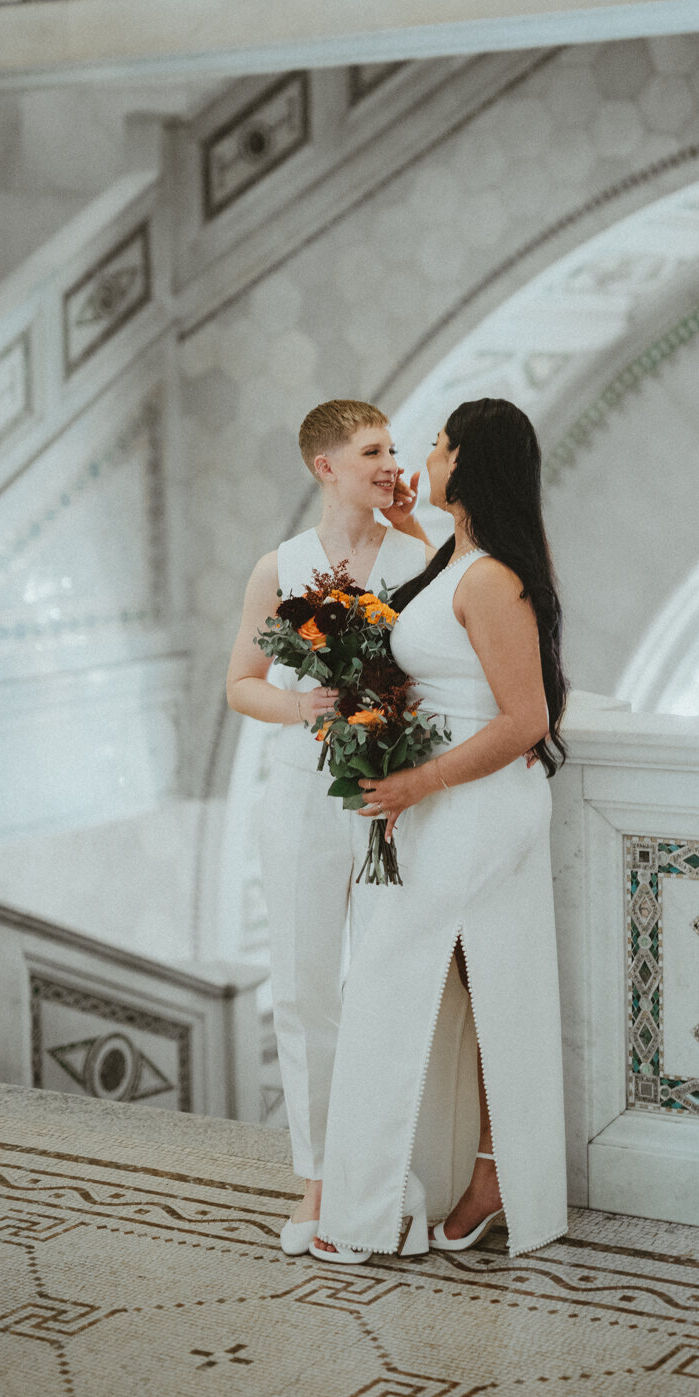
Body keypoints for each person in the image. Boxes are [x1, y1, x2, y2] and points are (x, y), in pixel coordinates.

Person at [311, 397, 569, 1263]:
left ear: (466, 461)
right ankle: (467, 1182)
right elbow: (428, 626)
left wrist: (417, 779)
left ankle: (392, 1203)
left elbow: (524, 718)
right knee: (471, 984)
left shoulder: (494, 577)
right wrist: (410, 524)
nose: (424, 454)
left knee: (408, 982)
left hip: (473, 804)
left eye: (437, 444)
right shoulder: (461, 557)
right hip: (445, 802)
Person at [225, 400, 431, 1255]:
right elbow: (241, 682)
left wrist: (415, 519)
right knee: (306, 985)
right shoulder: (282, 567)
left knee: (388, 983)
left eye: (395, 448)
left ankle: (387, 1171)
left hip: (393, 786)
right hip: (302, 789)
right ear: (327, 467)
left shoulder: (422, 556)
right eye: (373, 450)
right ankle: (316, 1177)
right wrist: (298, 702)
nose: (391, 462)